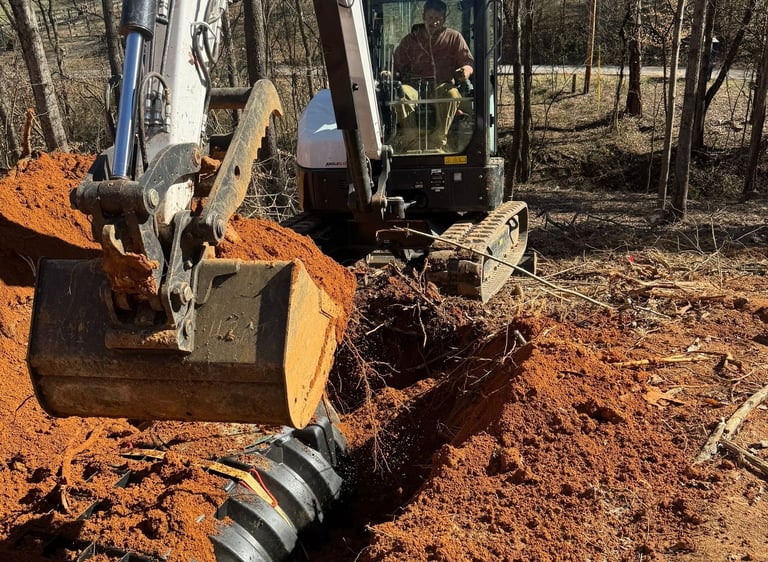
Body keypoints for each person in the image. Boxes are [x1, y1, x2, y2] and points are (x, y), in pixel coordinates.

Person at [387, 0, 474, 150]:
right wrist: (389, 73)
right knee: (401, 94)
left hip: (441, 85)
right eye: (431, 17)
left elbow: (468, 62)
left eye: (439, 18)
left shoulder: (454, 38)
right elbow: (396, 65)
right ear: (423, 16)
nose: (435, 22)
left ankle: (438, 140)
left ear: (444, 19)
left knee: (453, 94)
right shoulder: (410, 40)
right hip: (414, 86)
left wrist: (465, 71)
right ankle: (412, 141)